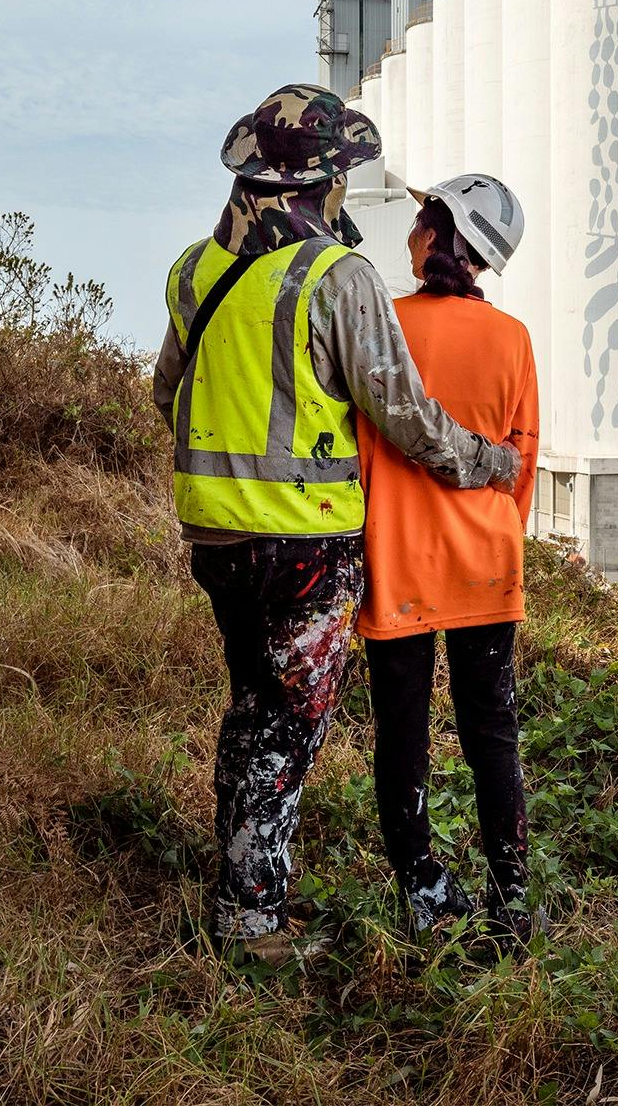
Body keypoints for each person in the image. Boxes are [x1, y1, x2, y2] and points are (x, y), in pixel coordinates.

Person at [152, 86, 520, 962]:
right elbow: (408, 417)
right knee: (288, 723)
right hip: (304, 543)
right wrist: (490, 463)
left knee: (253, 707)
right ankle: (251, 920)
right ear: (325, 182)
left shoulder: (191, 270)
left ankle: (246, 879)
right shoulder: (336, 277)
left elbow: (167, 393)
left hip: (213, 538)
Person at [355, 174, 541, 944]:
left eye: (420, 217)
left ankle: (420, 892)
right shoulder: (513, 340)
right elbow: (522, 464)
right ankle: (513, 899)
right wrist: (497, 535)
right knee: (490, 734)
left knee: (402, 736)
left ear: (438, 234)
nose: (409, 229)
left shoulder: (385, 329)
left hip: (397, 561)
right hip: (485, 568)